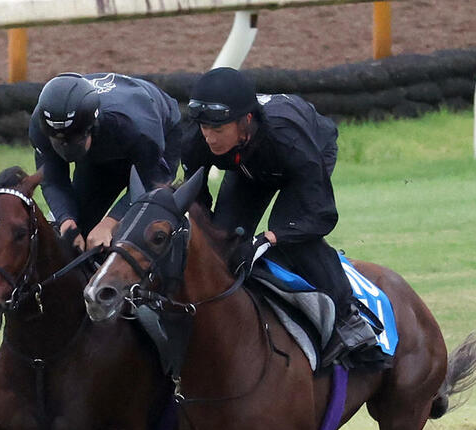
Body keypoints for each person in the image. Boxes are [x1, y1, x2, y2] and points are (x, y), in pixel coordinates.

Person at [181, 67, 380, 368]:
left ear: (246, 120)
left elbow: (320, 213)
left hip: (305, 155)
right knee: (225, 241)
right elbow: (195, 200)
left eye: (218, 130)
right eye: (204, 129)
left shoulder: (288, 136)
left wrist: (270, 238)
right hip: (248, 164)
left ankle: (349, 320)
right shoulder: (199, 139)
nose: (209, 138)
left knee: (291, 240)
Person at [30, 72, 183, 251]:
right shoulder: (41, 127)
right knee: (74, 234)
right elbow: (53, 179)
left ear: (91, 128)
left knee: (138, 230)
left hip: (156, 137)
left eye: (75, 141)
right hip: (102, 148)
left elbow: (153, 181)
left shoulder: (134, 126)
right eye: (58, 142)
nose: (65, 148)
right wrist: (67, 221)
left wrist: (110, 223)